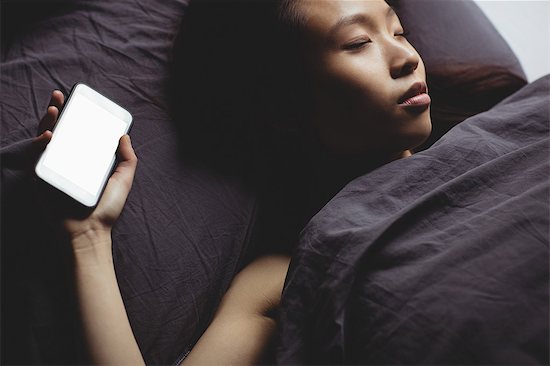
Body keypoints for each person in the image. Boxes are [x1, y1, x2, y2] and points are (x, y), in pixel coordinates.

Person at [33, 0, 431, 364]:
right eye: (359, 42)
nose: (407, 56)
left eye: (398, 32)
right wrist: (89, 238)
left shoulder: (485, 140)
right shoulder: (292, 270)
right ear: (284, 106)